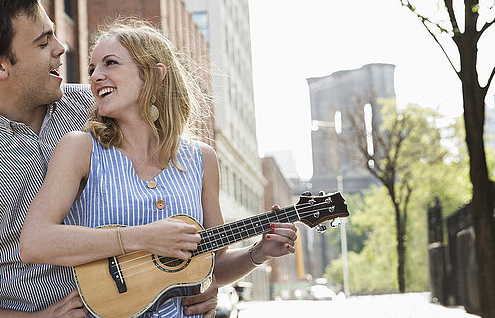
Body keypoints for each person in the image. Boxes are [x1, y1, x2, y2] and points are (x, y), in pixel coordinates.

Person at [0, 0, 217, 317]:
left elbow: (172, 181)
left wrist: (202, 286)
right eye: (42, 41)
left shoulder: (95, 107)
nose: (60, 48)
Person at [19, 19, 298, 318]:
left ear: (154, 74)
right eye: (92, 69)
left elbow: (214, 266)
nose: (96, 77)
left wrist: (258, 253)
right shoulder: (81, 149)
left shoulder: (202, 159)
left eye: (110, 63)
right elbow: (35, 242)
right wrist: (140, 237)